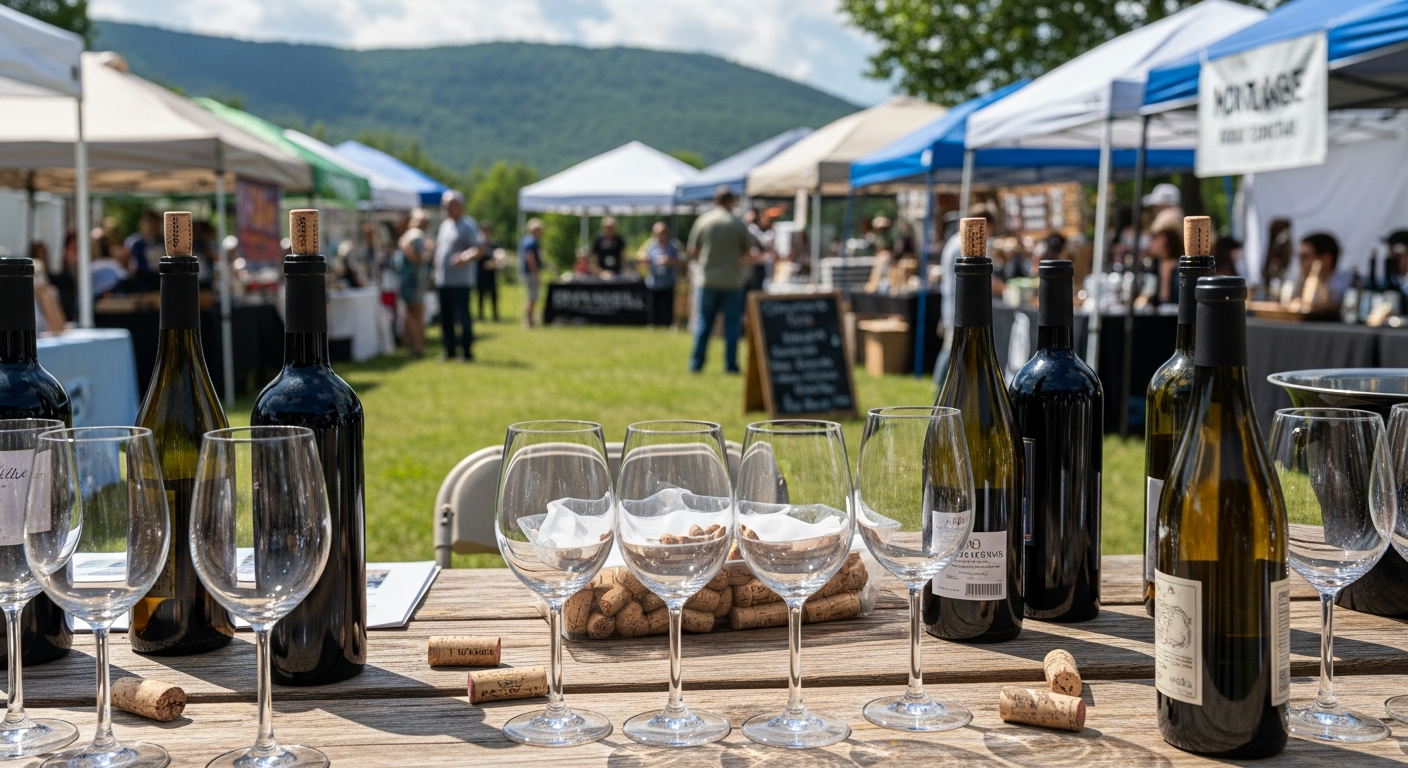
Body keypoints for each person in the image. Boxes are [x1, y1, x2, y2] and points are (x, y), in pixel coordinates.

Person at [686, 186, 757, 373]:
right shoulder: (738, 223)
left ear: (715, 200)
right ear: (731, 201)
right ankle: (731, 365)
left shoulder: (704, 221)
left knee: (703, 323)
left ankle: (696, 364)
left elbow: (692, 250)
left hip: (707, 280)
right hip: (733, 281)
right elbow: (748, 251)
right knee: (732, 326)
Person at [434, 190, 483, 361]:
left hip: (461, 282)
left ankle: (467, 352)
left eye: (450, 205)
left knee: (463, 317)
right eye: (445, 205)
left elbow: (479, 248)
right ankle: (449, 350)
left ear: (460, 206)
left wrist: (464, 257)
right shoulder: (444, 226)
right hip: (444, 281)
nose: (446, 208)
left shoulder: (468, 225)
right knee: (445, 318)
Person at [397, 209, 432, 358]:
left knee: (410, 313)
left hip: (407, 280)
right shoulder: (417, 236)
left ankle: (408, 343)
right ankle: (418, 348)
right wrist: (427, 255)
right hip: (415, 281)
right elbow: (418, 257)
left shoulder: (406, 236)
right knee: (417, 315)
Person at [643, 221, 681, 330]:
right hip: (654, 281)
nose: (660, 235)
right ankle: (652, 325)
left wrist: (669, 261)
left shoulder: (674, 245)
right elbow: (642, 259)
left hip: (668, 281)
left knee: (668, 306)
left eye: (663, 232)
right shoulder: (650, 246)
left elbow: (681, 262)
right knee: (653, 307)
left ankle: (670, 325)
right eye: (658, 233)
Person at [1299, 232, 1351, 305]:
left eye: (1305, 257)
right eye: (1299, 257)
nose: (1300, 262)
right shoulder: (1312, 285)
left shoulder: (1347, 286)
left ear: (1326, 259)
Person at [1147, 209, 1183, 306]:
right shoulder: (1153, 266)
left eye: (1155, 237)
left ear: (1167, 239)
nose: (1151, 243)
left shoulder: (1183, 268)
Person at [122, 209, 163, 291]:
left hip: (160, 278)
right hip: (143, 279)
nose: (152, 226)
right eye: (149, 223)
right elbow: (131, 265)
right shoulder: (135, 242)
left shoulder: (164, 242)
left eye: (155, 223)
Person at [520, 218, 545, 329]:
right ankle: (529, 322)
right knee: (532, 297)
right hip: (531, 273)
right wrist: (536, 274)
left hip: (528, 273)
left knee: (531, 297)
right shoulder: (531, 242)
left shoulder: (526, 240)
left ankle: (529, 320)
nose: (541, 232)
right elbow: (530, 258)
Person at [476, 222, 500, 322]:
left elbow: (498, 255)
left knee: (493, 294)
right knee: (480, 294)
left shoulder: (494, 244)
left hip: (491, 272)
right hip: (481, 272)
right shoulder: (478, 243)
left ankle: (495, 315)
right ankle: (481, 315)